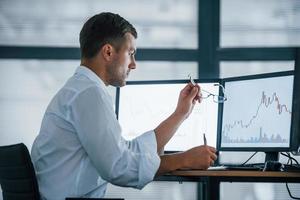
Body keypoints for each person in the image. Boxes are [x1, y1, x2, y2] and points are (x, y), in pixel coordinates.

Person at [31, 12, 217, 200]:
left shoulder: (80, 90)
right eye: (131, 53)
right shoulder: (89, 94)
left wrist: (181, 114)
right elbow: (119, 167)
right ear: (108, 52)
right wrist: (183, 160)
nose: (134, 64)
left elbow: (124, 152)